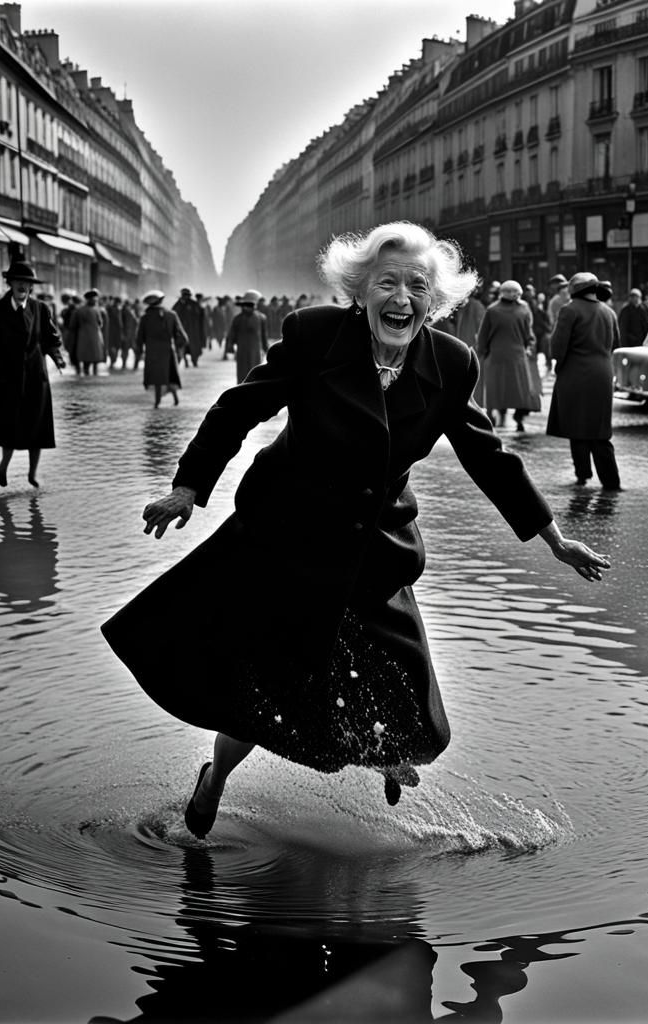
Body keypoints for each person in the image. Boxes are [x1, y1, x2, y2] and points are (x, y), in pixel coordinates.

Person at [100, 221, 610, 837]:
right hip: (286, 536)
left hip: (375, 544)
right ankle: (218, 778)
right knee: (261, 689)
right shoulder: (314, 336)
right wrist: (188, 488)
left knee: (406, 682)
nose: (401, 298)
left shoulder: (451, 363)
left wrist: (552, 535)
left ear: (434, 298)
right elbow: (240, 406)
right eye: (386, 283)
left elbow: (489, 456)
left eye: (416, 286)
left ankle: (387, 752)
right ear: (360, 291)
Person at [0, 257, 65, 488]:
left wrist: (58, 358)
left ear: (31, 286)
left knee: (38, 426)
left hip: (35, 375)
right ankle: (4, 464)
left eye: (27, 282)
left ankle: (32, 474)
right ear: (10, 284)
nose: (23, 286)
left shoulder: (41, 309)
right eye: (18, 281)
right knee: (9, 423)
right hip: (7, 377)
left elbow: (51, 339)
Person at [546, 272, 622, 490]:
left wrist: (558, 364)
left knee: (577, 425)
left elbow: (558, 347)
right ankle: (611, 480)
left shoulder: (569, 310)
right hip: (602, 373)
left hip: (575, 373)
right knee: (600, 429)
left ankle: (583, 475)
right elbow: (615, 343)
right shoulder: (609, 312)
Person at [475, 279, 540, 430]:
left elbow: (483, 335)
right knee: (520, 389)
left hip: (496, 355)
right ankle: (519, 419)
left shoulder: (492, 310)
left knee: (498, 388)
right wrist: (530, 347)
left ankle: (495, 414)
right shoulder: (524, 309)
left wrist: (481, 351)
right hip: (517, 355)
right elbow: (529, 333)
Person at [136, 289, 188, 407]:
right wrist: (179, 351)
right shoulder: (172, 315)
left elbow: (139, 338)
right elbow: (183, 337)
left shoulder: (145, 318)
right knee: (170, 374)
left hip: (152, 352)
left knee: (157, 376)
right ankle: (175, 399)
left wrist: (138, 352)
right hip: (168, 351)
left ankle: (157, 401)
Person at [227, 290, 269, 384]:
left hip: (256, 351)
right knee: (242, 374)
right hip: (242, 351)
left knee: (255, 372)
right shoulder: (237, 319)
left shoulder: (261, 318)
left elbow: (263, 335)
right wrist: (230, 346)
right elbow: (232, 334)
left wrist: (266, 349)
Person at [69, 288, 107, 376]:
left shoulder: (78, 310)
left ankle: (87, 374)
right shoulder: (96, 310)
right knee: (95, 359)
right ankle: (93, 375)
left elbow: (72, 325)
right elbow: (100, 323)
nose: (95, 301)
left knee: (87, 359)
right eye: (94, 299)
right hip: (95, 337)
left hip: (83, 337)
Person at [173, 288, 205, 367]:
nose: (185, 297)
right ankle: (185, 360)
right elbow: (173, 314)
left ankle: (194, 361)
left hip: (194, 330)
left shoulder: (194, 304)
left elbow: (201, 315)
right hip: (183, 330)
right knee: (183, 347)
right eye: (184, 295)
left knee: (194, 348)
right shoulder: (178, 304)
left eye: (186, 295)